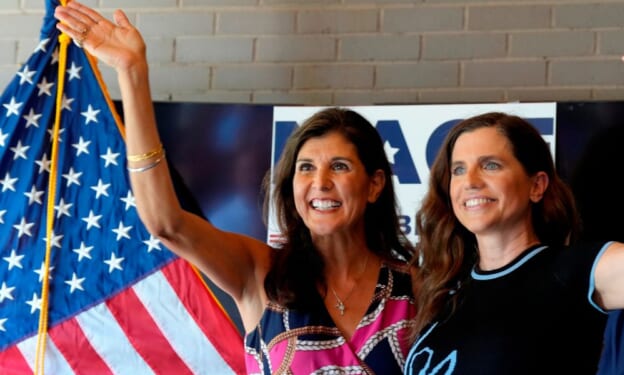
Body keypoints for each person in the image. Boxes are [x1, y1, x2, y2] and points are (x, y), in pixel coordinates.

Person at [54, 2, 416, 374]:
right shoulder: (260, 272)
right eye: (305, 168)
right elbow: (167, 225)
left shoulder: (419, 287)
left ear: (374, 186)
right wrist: (132, 73)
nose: (319, 183)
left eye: (339, 167)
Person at [405, 20, 624, 374]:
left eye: (490, 165)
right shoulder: (446, 291)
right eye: (459, 170)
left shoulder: (574, 271)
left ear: (537, 185)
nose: (471, 181)